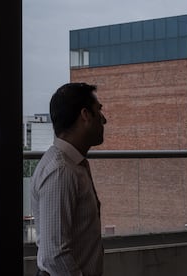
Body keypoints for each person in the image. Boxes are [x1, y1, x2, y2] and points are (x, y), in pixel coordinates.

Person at [31, 82, 107, 276]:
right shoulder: (61, 171)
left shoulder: (73, 165)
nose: (104, 120)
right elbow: (54, 255)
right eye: (98, 111)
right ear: (85, 116)